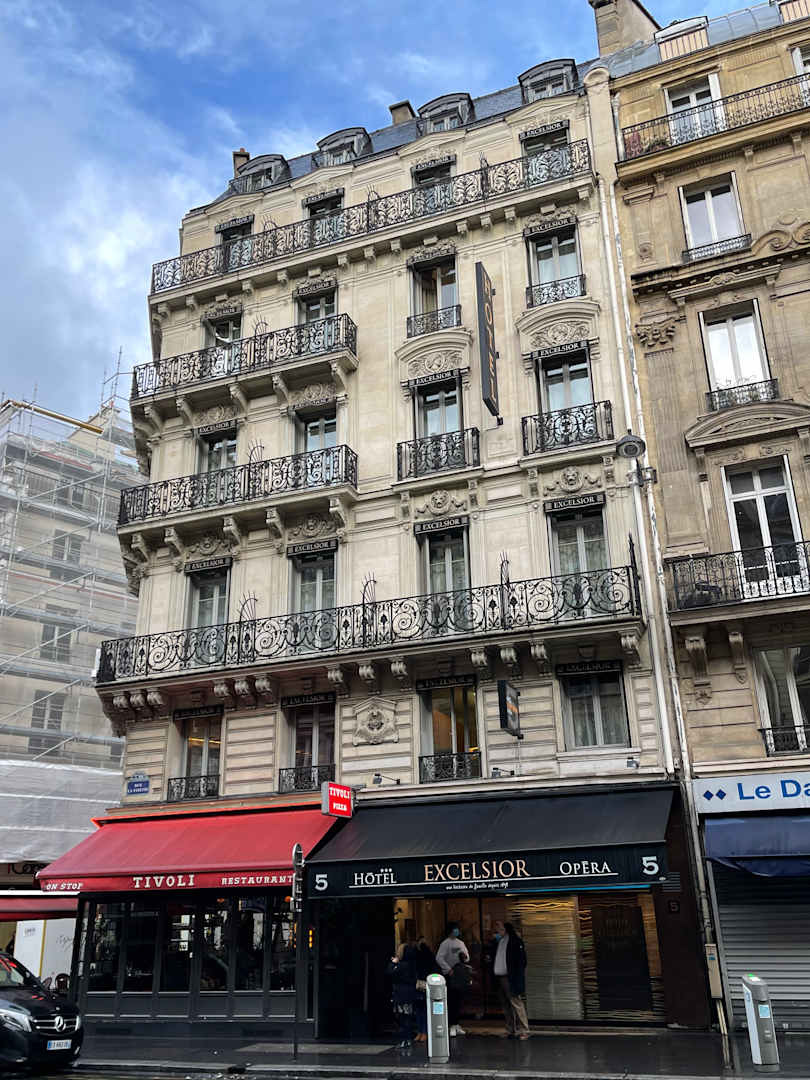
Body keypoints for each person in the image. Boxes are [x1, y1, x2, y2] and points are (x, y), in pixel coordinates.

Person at [492, 920, 529, 1039]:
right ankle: (510, 1028)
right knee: (506, 1005)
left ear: (506, 929)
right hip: (500, 977)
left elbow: (522, 961)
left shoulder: (514, 941)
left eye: (500, 927)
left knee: (516, 1002)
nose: (498, 930)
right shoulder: (499, 941)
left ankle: (524, 1029)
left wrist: (516, 974)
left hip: (510, 977)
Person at [436, 923, 470, 1036]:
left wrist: (464, 956)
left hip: (459, 974)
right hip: (450, 975)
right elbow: (439, 958)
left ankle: (456, 1024)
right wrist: (448, 969)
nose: (457, 931)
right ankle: (451, 1024)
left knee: (459, 1000)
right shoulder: (445, 944)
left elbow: (467, 957)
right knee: (451, 1000)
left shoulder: (461, 943)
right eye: (455, 929)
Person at [387, 943, 418, 1048]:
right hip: (410, 993)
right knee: (408, 1017)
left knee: (403, 1018)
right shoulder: (412, 965)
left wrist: (393, 963)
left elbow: (390, 972)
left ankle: (405, 1039)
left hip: (401, 994)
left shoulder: (401, 965)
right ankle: (408, 1039)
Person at [413, 937, 436, 1042]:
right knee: (425, 1009)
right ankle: (424, 1032)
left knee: (419, 1010)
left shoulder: (416, 955)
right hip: (428, 983)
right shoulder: (430, 956)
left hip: (419, 984)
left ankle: (420, 1032)